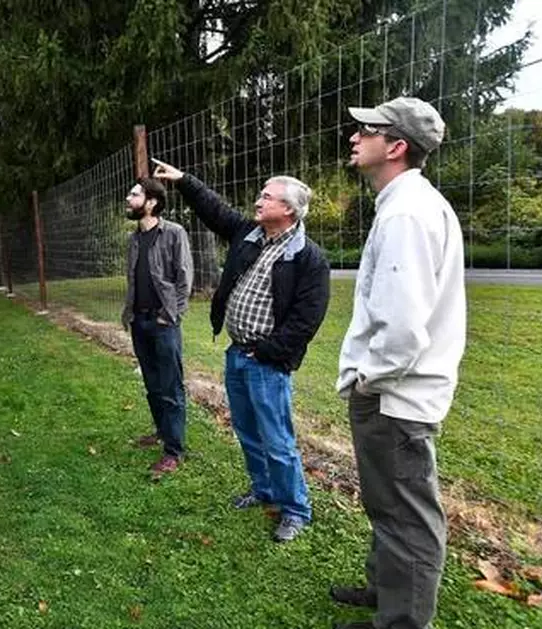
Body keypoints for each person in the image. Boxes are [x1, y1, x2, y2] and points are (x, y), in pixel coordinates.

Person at [331, 97, 465, 629]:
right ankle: (386, 592)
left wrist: (369, 381)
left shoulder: (407, 213)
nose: (355, 136)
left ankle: (402, 621)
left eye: (369, 129)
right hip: (395, 390)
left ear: (397, 146)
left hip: (396, 395)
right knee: (388, 503)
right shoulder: (404, 204)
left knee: (407, 515)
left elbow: (403, 326)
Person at [152, 159, 330, 542]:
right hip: (237, 354)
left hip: (265, 362)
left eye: (267, 196)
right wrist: (184, 181)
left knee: (277, 440)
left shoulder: (308, 257)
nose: (258, 200)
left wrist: (266, 351)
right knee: (247, 431)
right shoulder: (249, 234)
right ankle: (263, 490)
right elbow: (215, 210)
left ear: (288, 210)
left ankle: (295, 509)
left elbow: (306, 321)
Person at [121, 177, 193, 476]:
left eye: (135, 194)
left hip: (164, 322)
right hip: (139, 320)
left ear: (151, 202)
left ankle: (174, 451)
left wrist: (169, 316)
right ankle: (162, 431)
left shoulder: (174, 233)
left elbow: (184, 279)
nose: (128, 198)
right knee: (152, 384)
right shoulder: (134, 239)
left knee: (171, 386)